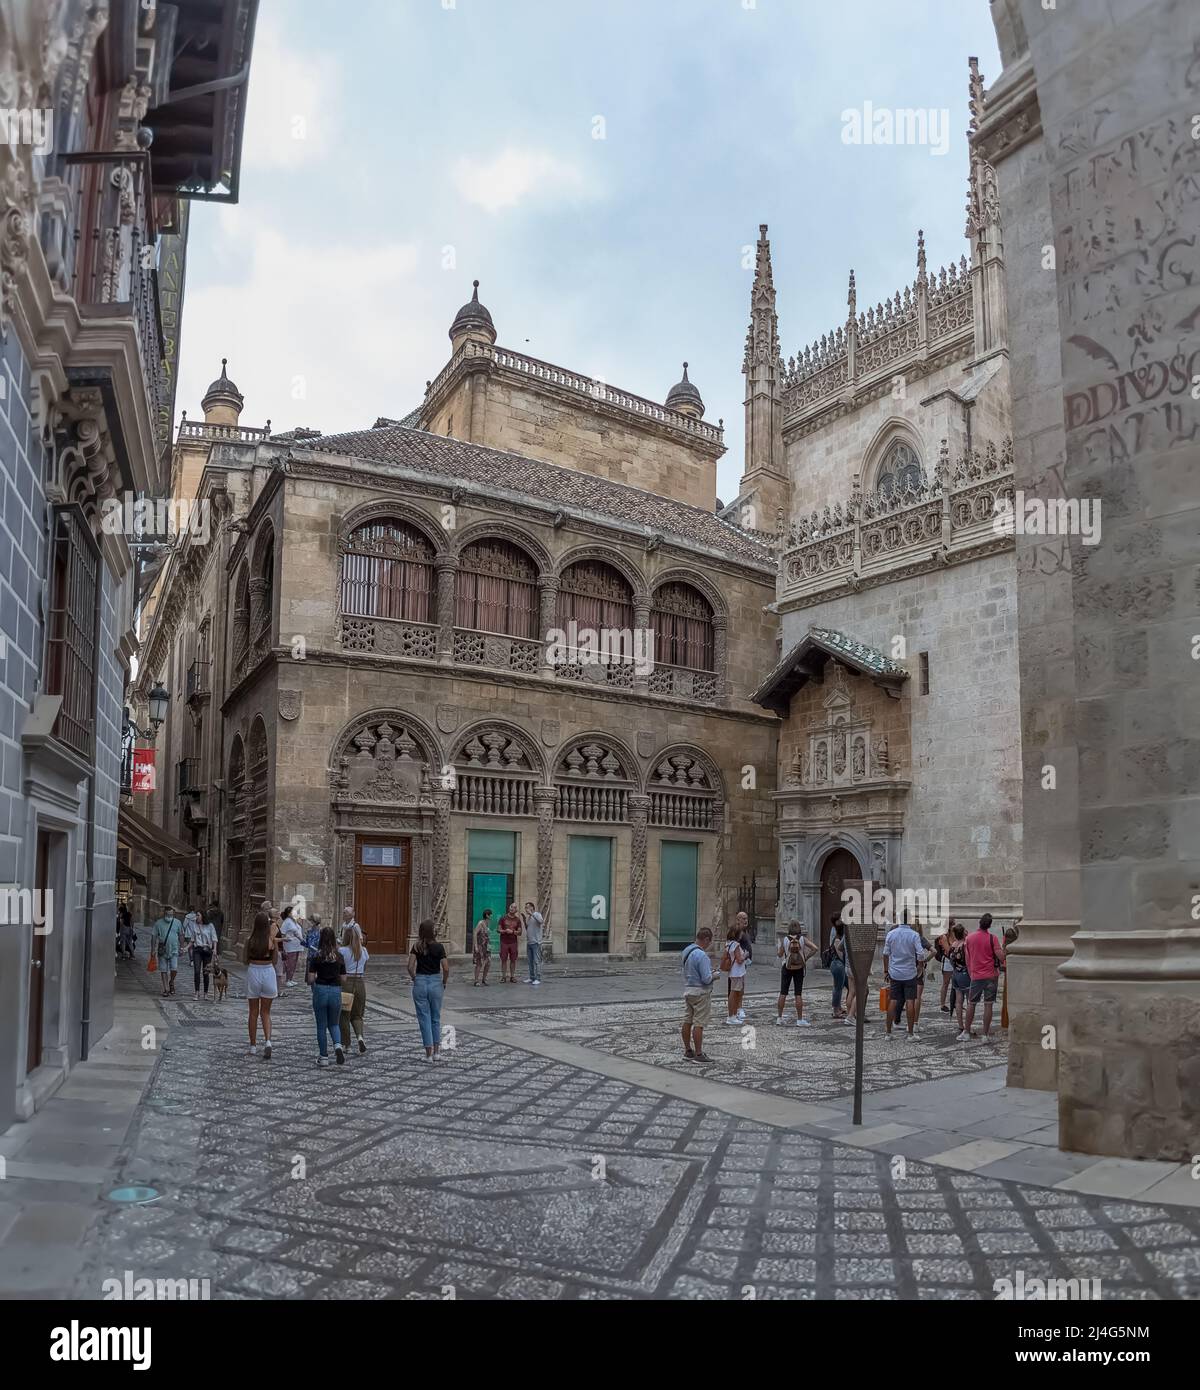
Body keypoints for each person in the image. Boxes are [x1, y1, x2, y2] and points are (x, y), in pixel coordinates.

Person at [407, 918, 449, 1061]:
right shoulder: (439, 947)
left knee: (424, 1018)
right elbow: (446, 967)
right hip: (436, 981)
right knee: (435, 1018)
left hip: (421, 981)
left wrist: (415, 978)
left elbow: (410, 966)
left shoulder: (416, 946)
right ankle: (437, 1052)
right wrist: (444, 981)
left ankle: (428, 1054)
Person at [307, 925, 346, 1066]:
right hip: (335, 990)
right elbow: (344, 979)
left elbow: (310, 979)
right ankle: (337, 1046)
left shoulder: (317, 956)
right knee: (334, 1023)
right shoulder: (339, 956)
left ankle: (323, 1057)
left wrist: (317, 975)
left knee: (321, 1025)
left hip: (321, 990)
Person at [962, 913, 1005, 1040]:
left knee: (972, 1003)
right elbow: (1001, 958)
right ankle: (985, 1034)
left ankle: (966, 1031)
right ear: (989, 925)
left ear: (979, 923)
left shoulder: (969, 938)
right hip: (991, 975)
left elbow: (967, 957)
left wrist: (971, 972)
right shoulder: (993, 938)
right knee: (988, 1004)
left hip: (976, 975)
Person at [882, 916, 925, 1039]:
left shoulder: (891, 934)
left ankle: (888, 1033)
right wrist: (920, 967)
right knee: (910, 1000)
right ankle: (911, 1033)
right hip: (910, 972)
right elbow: (920, 953)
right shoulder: (914, 935)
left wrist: (886, 970)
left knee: (893, 1000)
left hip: (895, 972)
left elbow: (885, 954)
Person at [244, 910, 280, 1059]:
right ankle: (268, 1041)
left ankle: (253, 1046)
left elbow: (245, 960)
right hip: (268, 972)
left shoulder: (249, 940)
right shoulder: (271, 941)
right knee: (266, 1012)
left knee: (253, 1012)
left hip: (254, 971)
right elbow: (275, 961)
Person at [680, 926, 715, 1062]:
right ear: (706, 939)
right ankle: (699, 1054)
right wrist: (715, 975)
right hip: (700, 992)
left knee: (687, 1020)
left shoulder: (686, 951)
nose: (709, 945)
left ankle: (688, 1050)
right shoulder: (702, 955)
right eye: (709, 942)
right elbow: (706, 978)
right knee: (699, 1023)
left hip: (688, 989)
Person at [775, 920, 815, 1026]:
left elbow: (779, 954)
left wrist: (781, 947)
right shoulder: (802, 939)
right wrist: (805, 958)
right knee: (798, 993)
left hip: (787, 967)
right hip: (799, 968)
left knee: (783, 992)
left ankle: (779, 1017)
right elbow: (815, 948)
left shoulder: (785, 939)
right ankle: (800, 1019)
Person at [339, 921, 370, 1054]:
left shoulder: (342, 951)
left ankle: (346, 1044)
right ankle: (360, 1037)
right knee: (358, 1015)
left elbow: (339, 968)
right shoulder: (364, 951)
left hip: (346, 983)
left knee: (344, 1015)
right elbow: (365, 967)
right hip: (360, 983)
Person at [185, 907, 217, 1001]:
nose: (196, 917)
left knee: (205, 972)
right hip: (197, 950)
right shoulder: (194, 925)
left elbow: (214, 938)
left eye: (198, 915)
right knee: (197, 971)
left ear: (202, 916)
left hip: (207, 950)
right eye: (196, 915)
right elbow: (192, 940)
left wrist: (214, 949)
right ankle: (197, 992)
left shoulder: (210, 926)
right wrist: (186, 948)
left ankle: (206, 993)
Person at [150, 906, 182, 998]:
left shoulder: (177, 923)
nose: (169, 916)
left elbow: (181, 934)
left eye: (171, 914)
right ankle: (166, 989)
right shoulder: (158, 923)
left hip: (174, 949)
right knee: (163, 970)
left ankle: (171, 981)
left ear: (173, 914)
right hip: (162, 950)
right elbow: (154, 936)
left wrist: (182, 947)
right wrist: (153, 949)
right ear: (164, 914)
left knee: (174, 968)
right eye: (168, 914)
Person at [948, 922, 971, 1038]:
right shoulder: (964, 945)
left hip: (955, 974)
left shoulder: (953, 945)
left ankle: (960, 1025)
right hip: (965, 974)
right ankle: (967, 1027)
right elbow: (968, 961)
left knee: (958, 1000)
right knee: (969, 1000)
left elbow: (951, 960)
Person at [723, 924, 748, 1025]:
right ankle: (731, 1016)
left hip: (733, 971)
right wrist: (745, 955)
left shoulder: (728, 943)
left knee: (735, 993)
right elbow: (739, 960)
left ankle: (733, 1014)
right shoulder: (736, 945)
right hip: (737, 972)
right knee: (734, 993)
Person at [828, 917, 849, 1018]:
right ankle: (836, 1010)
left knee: (849, 987)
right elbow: (840, 955)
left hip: (842, 966)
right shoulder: (837, 938)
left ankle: (840, 1008)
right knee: (838, 988)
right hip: (838, 965)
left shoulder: (840, 937)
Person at [279, 906, 305, 987]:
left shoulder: (295, 922)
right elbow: (282, 934)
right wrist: (285, 940)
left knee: (294, 963)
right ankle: (287, 980)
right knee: (289, 963)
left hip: (297, 945)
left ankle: (290, 979)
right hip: (290, 946)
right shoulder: (287, 922)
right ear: (289, 914)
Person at [497, 903, 522, 983]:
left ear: (516, 910)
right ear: (509, 907)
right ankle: (503, 977)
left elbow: (520, 932)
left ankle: (512, 976)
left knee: (513, 960)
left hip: (513, 942)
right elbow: (498, 930)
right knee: (504, 960)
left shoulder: (517, 920)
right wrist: (504, 931)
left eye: (514, 907)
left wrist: (513, 931)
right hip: (504, 942)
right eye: (511, 906)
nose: (512, 908)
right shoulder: (503, 918)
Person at [522, 901, 544, 986]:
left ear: (532, 907)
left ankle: (538, 978)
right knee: (530, 961)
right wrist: (524, 920)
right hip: (529, 942)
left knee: (536, 961)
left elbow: (541, 921)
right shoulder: (529, 917)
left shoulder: (537, 914)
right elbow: (528, 927)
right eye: (525, 907)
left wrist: (532, 914)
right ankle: (531, 977)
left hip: (536, 942)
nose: (526, 909)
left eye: (527, 907)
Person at [473, 910, 493, 986]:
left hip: (487, 946)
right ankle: (476, 980)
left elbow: (488, 935)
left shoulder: (488, 923)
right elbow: (475, 933)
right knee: (479, 963)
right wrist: (475, 946)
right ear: (487, 915)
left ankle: (484, 979)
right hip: (480, 945)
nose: (491, 916)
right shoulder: (480, 923)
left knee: (488, 962)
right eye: (490, 914)